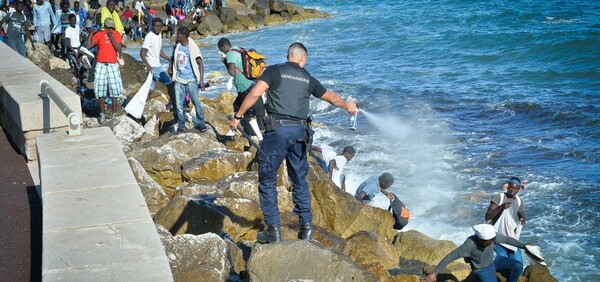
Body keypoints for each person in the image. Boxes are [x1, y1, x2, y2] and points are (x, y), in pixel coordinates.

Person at [228, 42, 357, 243]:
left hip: (277, 132)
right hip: (299, 133)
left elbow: (254, 94)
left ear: (289, 55)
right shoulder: (307, 78)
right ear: (301, 59)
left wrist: (238, 116)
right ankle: (306, 228)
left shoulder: (274, 71)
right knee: (299, 180)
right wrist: (347, 107)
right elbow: (331, 98)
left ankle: (273, 230)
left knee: (268, 178)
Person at [423, 224, 531, 282]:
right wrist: (434, 273)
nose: (491, 243)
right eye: (488, 242)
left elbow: (507, 240)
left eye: (492, 240)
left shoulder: (491, 236)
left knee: (517, 266)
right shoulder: (469, 245)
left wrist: (524, 246)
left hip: (496, 260)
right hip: (483, 269)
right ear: (480, 239)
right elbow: (451, 256)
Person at [217, 37, 265, 136]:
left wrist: (224, 62)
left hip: (243, 86)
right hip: (252, 82)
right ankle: (233, 132)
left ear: (224, 46)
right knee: (240, 106)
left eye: (221, 49)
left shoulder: (230, 54)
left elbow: (232, 72)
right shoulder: (239, 49)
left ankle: (252, 134)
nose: (221, 52)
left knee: (247, 111)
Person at [168, 26, 208, 133]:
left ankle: (202, 123)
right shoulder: (177, 45)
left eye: (178, 34)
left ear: (183, 35)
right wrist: (170, 67)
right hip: (179, 79)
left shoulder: (193, 47)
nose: (176, 36)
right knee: (179, 104)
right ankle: (181, 124)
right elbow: (173, 56)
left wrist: (201, 80)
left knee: (196, 102)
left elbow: (200, 63)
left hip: (191, 79)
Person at [87, 17, 123, 123]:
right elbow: (89, 46)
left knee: (114, 89)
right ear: (105, 27)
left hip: (113, 64)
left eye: (112, 27)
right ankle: (102, 114)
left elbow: (119, 48)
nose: (110, 29)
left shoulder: (116, 34)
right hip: (101, 64)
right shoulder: (99, 35)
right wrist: (91, 33)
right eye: (109, 27)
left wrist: (111, 37)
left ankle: (114, 113)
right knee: (100, 89)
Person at [485, 177, 527, 264]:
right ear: (507, 187)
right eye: (511, 187)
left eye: (515, 188)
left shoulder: (519, 201)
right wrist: (501, 207)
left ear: (519, 189)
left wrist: (522, 219)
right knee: (501, 258)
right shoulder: (499, 198)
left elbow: (521, 215)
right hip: (497, 237)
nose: (512, 190)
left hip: (510, 237)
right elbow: (488, 216)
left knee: (518, 262)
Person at [140, 18, 175, 111]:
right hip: (153, 67)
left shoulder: (159, 35)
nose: (157, 28)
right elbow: (142, 52)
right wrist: (147, 65)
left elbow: (158, 50)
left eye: (159, 26)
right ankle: (171, 104)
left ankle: (140, 105)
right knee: (170, 84)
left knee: (150, 89)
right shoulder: (149, 36)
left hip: (156, 65)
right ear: (152, 25)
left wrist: (168, 58)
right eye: (155, 26)